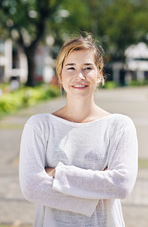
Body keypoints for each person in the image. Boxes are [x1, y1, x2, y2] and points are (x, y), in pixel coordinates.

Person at [19, 34, 138, 227]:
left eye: (88, 68)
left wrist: (58, 173)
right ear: (60, 76)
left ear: (99, 74)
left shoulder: (120, 126)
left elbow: (122, 185)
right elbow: (32, 187)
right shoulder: (38, 126)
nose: (79, 76)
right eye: (71, 68)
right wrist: (98, 190)